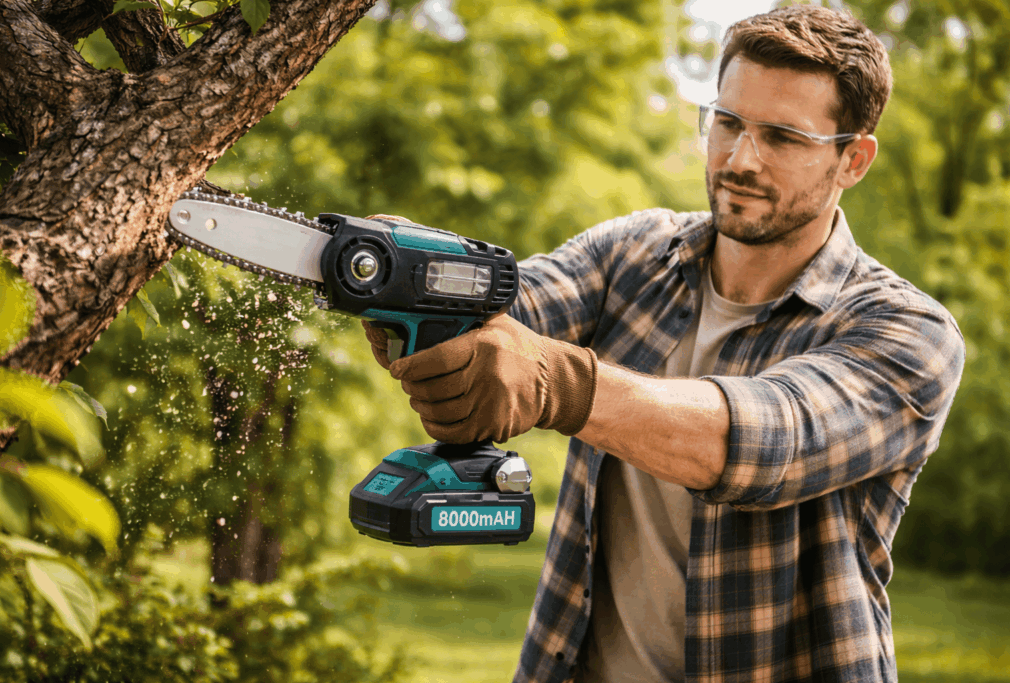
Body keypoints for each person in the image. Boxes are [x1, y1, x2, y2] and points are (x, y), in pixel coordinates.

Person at [364, 5, 965, 682]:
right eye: (729, 123)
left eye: (783, 138)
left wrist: (559, 384)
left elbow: (767, 439)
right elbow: (512, 300)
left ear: (853, 159)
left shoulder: (906, 331)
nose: (741, 159)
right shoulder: (634, 254)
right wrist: (409, 276)